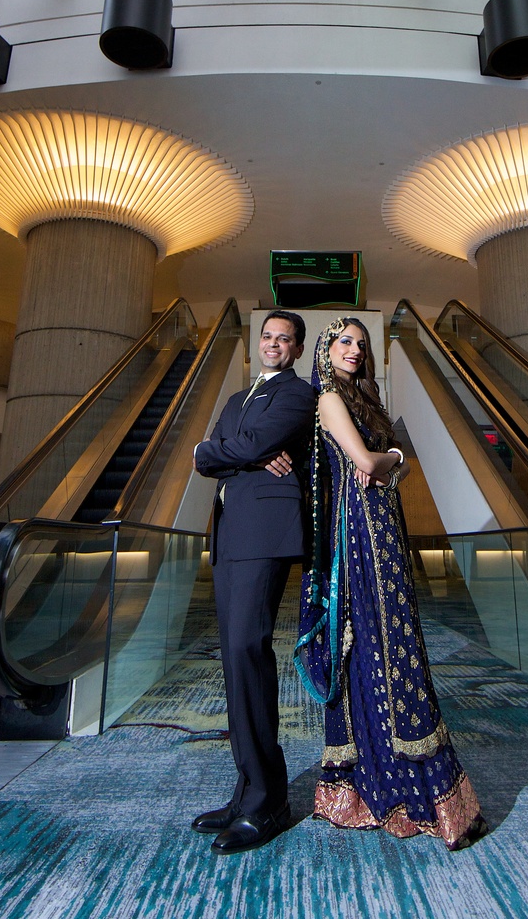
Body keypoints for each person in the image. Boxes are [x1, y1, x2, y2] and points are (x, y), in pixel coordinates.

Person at [295, 317, 484, 849]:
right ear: (326, 349)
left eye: (361, 343)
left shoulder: (367, 400)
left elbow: (396, 464)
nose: (355, 350)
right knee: (372, 641)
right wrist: (387, 459)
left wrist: (391, 459)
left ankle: (404, 778)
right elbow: (364, 460)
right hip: (358, 531)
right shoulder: (329, 399)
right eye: (344, 342)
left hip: (385, 527)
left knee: (398, 640)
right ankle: (378, 782)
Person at [190, 309, 316, 855]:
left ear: (297, 348)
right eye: (267, 336)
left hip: (265, 531)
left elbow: (236, 448)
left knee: (247, 650)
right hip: (230, 533)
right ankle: (247, 792)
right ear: (256, 343)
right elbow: (229, 453)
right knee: (235, 660)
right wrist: (229, 454)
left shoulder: (297, 394)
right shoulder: (237, 399)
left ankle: (267, 802)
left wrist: (217, 452)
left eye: (284, 339)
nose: (273, 344)